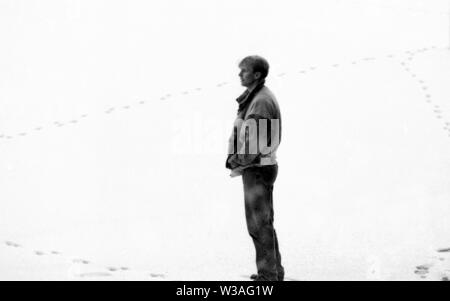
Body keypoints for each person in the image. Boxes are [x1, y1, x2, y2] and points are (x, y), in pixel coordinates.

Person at [226, 55, 284, 281]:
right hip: (260, 167)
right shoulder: (257, 97)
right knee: (263, 223)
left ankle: (268, 276)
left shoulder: (260, 101)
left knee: (259, 225)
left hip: (257, 169)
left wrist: (237, 161)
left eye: (244, 70)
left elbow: (253, 143)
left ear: (257, 74)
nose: (240, 74)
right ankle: (273, 272)